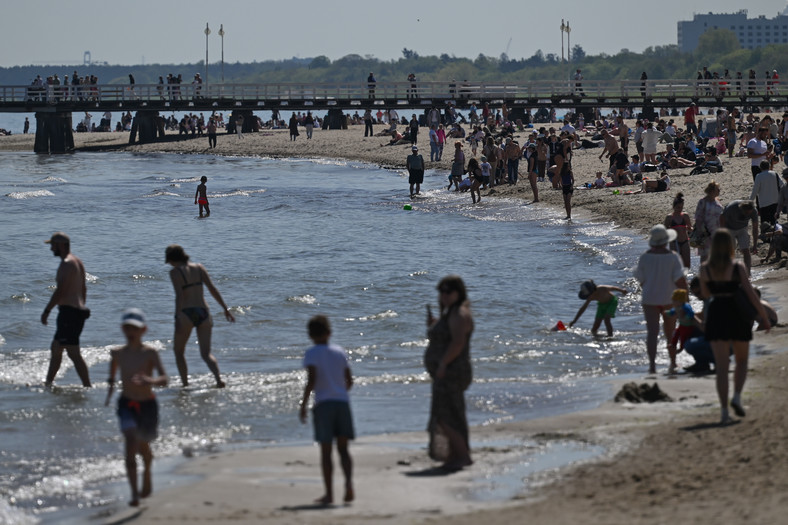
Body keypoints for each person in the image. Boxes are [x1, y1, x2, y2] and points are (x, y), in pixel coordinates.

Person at [700, 229, 770, 424]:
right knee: (741, 360)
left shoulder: (705, 269)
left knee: (722, 366)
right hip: (736, 313)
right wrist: (763, 316)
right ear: (731, 246)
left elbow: (705, 294)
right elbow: (751, 295)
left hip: (716, 313)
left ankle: (723, 412)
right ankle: (737, 396)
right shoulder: (738, 267)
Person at [104, 309, 167, 507]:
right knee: (130, 442)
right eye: (127, 328)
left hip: (147, 405)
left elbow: (164, 379)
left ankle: (147, 471)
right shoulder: (117, 353)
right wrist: (109, 394)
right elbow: (112, 376)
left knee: (143, 445)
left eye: (135, 328)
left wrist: (149, 380)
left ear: (143, 330)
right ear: (123, 329)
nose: (131, 331)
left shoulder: (150, 353)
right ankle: (134, 494)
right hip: (126, 404)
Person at [298, 315, 355, 505]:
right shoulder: (339, 352)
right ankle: (348, 484)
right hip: (342, 403)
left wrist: (304, 404)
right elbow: (349, 380)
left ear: (310, 335)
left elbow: (312, 380)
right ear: (329, 332)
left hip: (323, 404)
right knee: (344, 450)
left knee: (326, 452)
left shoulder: (312, 353)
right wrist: (339, 392)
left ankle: (329, 494)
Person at [165, 245, 235, 388]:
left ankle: (185, 385)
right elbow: (212, 289)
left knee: (178, 352)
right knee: (206, 353)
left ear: (171, 259)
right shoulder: (199, 267)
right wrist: (225, 308)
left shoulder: (175, 273)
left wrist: (176, 317)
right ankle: (218, 380)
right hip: (203, 312)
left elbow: (179, 296)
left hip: (186, 313)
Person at [424, 275, 473, 471]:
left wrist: (443, 363)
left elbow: (458, 342)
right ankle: (456, 454)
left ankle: (462, 455)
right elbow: (447, 336)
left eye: (448, 292)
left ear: (458, 293)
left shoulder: (459, 313)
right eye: (441, 292)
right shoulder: (451, 313)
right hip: (447, 371)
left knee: (445, 415)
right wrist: (435, 324)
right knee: (450, 412)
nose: (443, 296)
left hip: (453, 371)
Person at [634, 225, 688, 374]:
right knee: (670, 333)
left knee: (652, 333)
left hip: (649, 299)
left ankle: (652, 366)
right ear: (666, 241)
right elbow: (680, 281)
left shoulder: (645, 256)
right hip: (669, 299)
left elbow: (641, 280)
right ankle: (672, 363)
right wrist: (686, 300)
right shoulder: (672, 257)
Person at [41, 232, 92, 387]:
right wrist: (81, 307)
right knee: (59, 348)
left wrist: (47, 310)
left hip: (69, 313)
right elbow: (84, 288)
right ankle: (49, 383)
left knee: (70, 351)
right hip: (75, 312)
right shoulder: (77, 261)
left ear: (61, 245)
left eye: (53, 245)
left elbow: (60, 291)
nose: (51, 249)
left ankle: (87, 385)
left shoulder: (67, 264)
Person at [720, 200, 759, 274]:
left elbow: (755, 228)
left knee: (746, 250)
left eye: (749, 213)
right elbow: (722, 218)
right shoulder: (731, 208)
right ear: (741, 209)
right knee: (730, 251)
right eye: (746, 212)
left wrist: (755, 245)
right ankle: (730, 272)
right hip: (729, 228)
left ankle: (748, 273)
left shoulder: (754, 211)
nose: (747, 214)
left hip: (743, 228)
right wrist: (723, 234)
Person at [694, 181, 724, 262]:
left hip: (717, 232)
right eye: (717, 189)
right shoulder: (703, 201)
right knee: (705, 257)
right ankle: (704, 273)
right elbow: (698, 218)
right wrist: (701, 234)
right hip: (705, 233)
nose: (719, 191)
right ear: (712, 190)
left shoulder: (717, 201)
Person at [750, 159, 783, 227]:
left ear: (760, 167)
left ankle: (766, 236)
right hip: (775, 201)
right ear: (769, 166)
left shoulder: (759, 176)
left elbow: (755, 190)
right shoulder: (775, 174)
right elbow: (782, 185)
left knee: (765, 223)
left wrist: (750, 201)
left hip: (764, 203)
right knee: (774, 222)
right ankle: (775, 235)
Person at [664, 192, 693, 268]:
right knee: (675, 265)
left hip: (685, 242)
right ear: (674, 207)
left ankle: (685, 278)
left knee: (687, 265)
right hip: (674, 242)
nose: (679, 210)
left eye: (681, 208)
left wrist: (690, 229)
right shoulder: (669, 218)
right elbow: (664, 231)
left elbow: (690, 228)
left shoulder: (685, 216)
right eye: (678, 208)